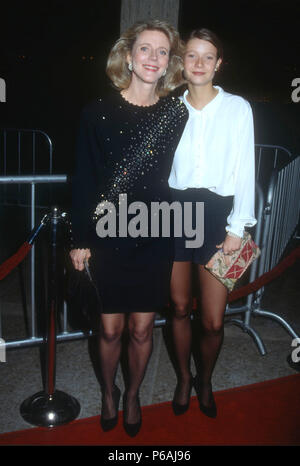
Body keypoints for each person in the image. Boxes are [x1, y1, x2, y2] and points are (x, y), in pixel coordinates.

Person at [70, 19, 188, 437]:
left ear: (169, 62)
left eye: (161, 51)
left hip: (155, 231)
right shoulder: (96, 112)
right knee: (109, 327)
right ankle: (108, 393)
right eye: (145, 49)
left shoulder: (177, 112)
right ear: (128, 55)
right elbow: (83, 178)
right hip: (107, 233)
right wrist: (80, 238)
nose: (153, 58)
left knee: (142, 328)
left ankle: (133, 394)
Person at [168, 28, 257, 418]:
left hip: (219, 217)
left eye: (208, 57)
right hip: (172, 215)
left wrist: (238, 228)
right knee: (178, 307)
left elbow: (245, 169)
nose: (199, 64)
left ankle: (205, 378)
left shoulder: (238, 108)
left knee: (214, 321)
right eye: (192, 56)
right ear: (181, 62)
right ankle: (184, 379)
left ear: (219, 64)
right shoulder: (168, 108)